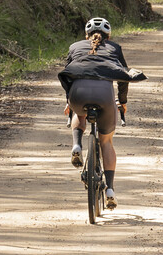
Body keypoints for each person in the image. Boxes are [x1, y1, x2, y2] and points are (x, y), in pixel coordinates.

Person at [57, 17, 144, 210]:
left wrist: (68, 101)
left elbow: (68, 74)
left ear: (85, 35)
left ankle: (77, 145)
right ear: (109, 35)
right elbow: (124, 76)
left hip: (77, 93)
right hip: (104, 95)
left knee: (78, 115)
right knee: (106, 141)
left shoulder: (74, 47)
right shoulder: (115, 48)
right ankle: (110, 189)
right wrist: (122, 102)